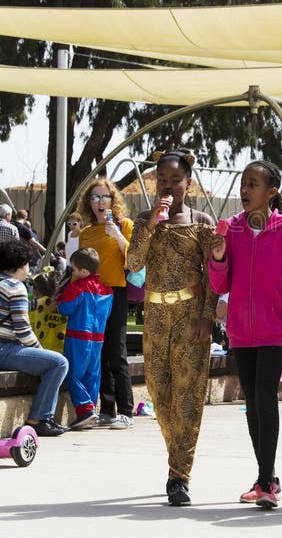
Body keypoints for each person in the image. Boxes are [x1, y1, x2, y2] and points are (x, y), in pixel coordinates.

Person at [208, 160, 282, 510]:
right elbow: (219, 283)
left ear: (272, 191)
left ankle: (266, 482)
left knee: (265, 399)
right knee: (252, 403)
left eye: (253, 184)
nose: (245, 190)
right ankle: (267, 476)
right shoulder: (232, 230)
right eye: (243, 183)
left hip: (275, 330)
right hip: (241, 331)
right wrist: (218, 257)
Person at [127, 149, 217, 506]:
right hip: (155, 316)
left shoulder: (201, 222)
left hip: (190, 314)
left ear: (188, 183)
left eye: (175, 180)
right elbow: (133, 262)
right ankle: (175, 457)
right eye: (161, 179)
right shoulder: (142, 219)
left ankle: (179, 475)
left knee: (187, 395)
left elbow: (213, 276)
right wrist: (150, 224)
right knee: (159, 394)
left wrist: (208, 317)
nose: (167, 186)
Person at [77, 178, 135, 429]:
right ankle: (107, 409)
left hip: (116, 292)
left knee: (116, 351)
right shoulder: (87, 233)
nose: (100, 202)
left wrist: (118, 235)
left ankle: (126, 411)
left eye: (105, 197)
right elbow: (81, 267)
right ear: (88, 203)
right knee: (98, 353)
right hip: (92, 295)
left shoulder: (124, 225)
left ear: (113, 201)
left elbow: (135, 259)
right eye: (95, 198)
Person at [0, 240, 68, 436]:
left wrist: (39, 303)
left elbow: (9, 311)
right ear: (21, 264)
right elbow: (22, 330)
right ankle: (39, 418)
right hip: (5, 349)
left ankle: (43, 417)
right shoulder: (16, 286)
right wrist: (40, 351)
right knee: (58, 363)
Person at [56, 247, 114, 429]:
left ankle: (85, 408)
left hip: (78, 337)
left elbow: (66, 308)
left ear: (83, 271)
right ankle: (89, 412)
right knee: (92, 375)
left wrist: (58, 298)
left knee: (72, 373)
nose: (71, 272)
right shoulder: (108, 292)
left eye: (73, 269)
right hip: (98, 339)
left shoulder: (77, 287)